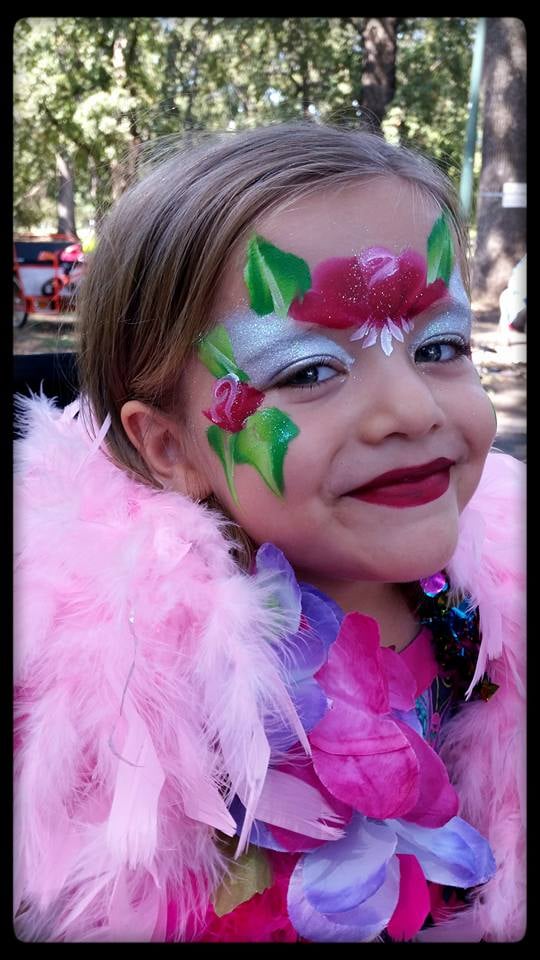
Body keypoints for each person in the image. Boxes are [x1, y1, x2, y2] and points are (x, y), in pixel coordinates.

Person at [13, 122, 525, 943]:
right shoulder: (127, 682)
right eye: (307, 371)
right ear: (170, 446)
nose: (415, 410)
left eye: (441, 346)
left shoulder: (492, 602)